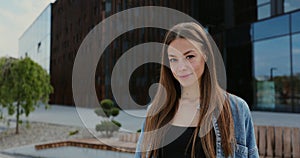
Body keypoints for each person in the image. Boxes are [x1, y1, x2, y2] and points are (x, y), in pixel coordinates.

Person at [134, 22, 259, 158]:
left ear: (205, 55)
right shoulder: (156, 111)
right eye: (173, 59)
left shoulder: (236, 109)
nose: (181, 67)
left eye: (190, 57)